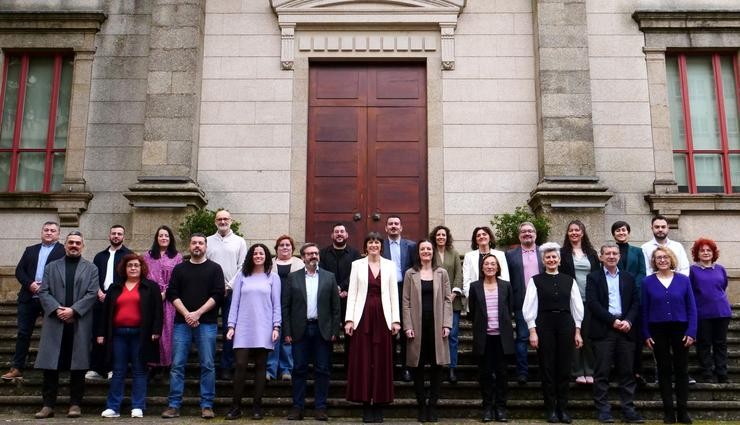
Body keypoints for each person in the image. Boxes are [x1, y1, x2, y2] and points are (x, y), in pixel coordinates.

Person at [34, 231, 99, 419]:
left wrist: (73, 311)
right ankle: (48, 405)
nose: (74, 245)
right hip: (55, 321)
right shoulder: (52, 267)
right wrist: (57, 310)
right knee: (50, 366)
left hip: (79, 322)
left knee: (78, 366)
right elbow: (43, 291)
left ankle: (75, 404)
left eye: (78, 243)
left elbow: (92, 293)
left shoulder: (91, 268)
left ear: (83, 246)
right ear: (65, 245)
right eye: (71, 242)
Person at [162, 233, 225, 420]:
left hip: (206, 323)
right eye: (194, 243)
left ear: (206, 246)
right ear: (189, 246)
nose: (197, 246)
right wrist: (187, 314)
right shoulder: (180, 269)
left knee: (207, 364)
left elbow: (218, 294)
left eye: (201, 243)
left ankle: (207, 405)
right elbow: (172, 292)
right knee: (177, 365)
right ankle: (174, 405)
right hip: (182, 323)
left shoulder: (215, 269)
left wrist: (197, 313)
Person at [523, 242, 584, 424]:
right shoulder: (535, 280)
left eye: (554, 257)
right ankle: (550, 409)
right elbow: (529, 307)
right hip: (544, 324)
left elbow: (576, 306)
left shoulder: (569, 280)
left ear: (559, 260)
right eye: (548, 257)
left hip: (566, 324)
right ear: (543, 260)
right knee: (548, 368)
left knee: (564, 368)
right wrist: (532, 331)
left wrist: (578, 331)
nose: (551, 260)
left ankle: (563, 409)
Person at [97, 254, 163, 418]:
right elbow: (105, 313)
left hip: (141, 335)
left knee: (140, 370)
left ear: (142, 268)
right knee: (118, 370)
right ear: (124, 269)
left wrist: (156, 331)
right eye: (130, 266)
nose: (133, 268)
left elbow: (157, 312)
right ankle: (113, 407)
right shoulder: (115, 287)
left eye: (136, 265)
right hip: (118, 334)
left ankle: (138, 406)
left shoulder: (151, 287)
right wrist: (101, 333)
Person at [345, 232, 401, 423]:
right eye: (370, 242)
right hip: (362, 317)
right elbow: (352, 293)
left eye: (377, 242)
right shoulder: (356, 265)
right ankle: (365, 405)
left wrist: (396, 320)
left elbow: (394, 294)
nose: (374, 245)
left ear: (381, 246)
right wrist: (349, 320)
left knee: (381, 360)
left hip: (383, 318)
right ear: (365, 246)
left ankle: (378, 404)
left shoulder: (390, 265)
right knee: (363, 359)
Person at [586, 244, 644, 424]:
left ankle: (629, 410)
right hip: (604, 330)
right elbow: (593, 303)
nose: (611, 256)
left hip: (626, 330)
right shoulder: (593, 277)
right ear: (601, 257)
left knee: (627, 372)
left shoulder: (628, 277)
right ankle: (603, 410)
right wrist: (612, 320)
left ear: (619, 256)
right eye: (607, 254)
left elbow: (636, 302)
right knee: (602, 372)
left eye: (614, 253)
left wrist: (629, 321)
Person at [283, 243, 341, 421]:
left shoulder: (329, 277)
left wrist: (334, 330)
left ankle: (320, 407)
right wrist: (287, 331)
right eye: (309, 254)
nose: (313, 256)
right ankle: (297, 407)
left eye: (316, 253)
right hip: (299, 329)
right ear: (302, 258)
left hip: (322, 329)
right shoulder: (293, 278)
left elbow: (335, 308)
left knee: (322, 369)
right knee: (299, 368)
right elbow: (286, 307)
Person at [2, 221, 65, 381]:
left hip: (50, 298)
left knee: (52, 333)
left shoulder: (63, 251)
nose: (49, 233)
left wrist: (45, 286)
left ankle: (52, 366)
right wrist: (30, 284)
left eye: (52, 230)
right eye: (46, 230)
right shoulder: (30, 250)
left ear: (58, 234)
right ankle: (17, 367)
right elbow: (19, 270)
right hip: (28, 297)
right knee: (23, 333)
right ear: (41, 232)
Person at [225, 243, 281, 420]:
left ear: (266, 256)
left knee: (260, 367)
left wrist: (276, 326)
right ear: (251, 256)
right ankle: (236, 407)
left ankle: (257, 407)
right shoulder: (242, 276)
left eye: (261, 253)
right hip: (243, 327)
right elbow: (235, 303)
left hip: (264, 327)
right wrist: (231, 326)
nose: (258, 256)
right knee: (240, 365)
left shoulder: (273, 278)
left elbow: (276, 304)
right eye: (255, 253)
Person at [642, 247, 697, 424]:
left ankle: (682, 411)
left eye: (665, 257)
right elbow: (644, 310)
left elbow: (692, 308)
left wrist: (691, 331)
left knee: (682, 370)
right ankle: (668, 412)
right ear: (654, 261)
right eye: (658, 258)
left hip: (680, 329)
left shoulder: (683, 280)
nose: (662, 260)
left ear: (671, 259)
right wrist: (646, 333)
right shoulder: (647, 282)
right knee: (664, 370)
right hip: (657, 329)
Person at [402, 240, 452, 423]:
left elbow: (448, 300)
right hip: (417, 326)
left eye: (429, 249)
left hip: (437, 325)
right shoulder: (410, 273)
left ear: (433, 252)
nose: (426, 251)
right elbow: (405, 302)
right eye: (422, 249)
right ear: (418, 252)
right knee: (418, 366)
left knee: (437, 366)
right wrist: (407, 326)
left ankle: (433, 406)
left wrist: (447, 324)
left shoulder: (442, 273)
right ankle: (421, 406)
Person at [468, 254, 514, 423]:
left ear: (497, 267)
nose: (489, 267)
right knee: (485, 374)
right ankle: (487, 408)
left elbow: (509, 311)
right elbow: (472, 312)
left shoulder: (506, 286)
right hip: (484, 338)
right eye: (486, 264)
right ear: (482, 267)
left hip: (502, 339)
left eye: (493, 264)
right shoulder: (474, 287)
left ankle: (501, 408)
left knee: (502, 374)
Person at [206, 209, 247, 381]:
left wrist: (228, 286)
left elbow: (243, 266)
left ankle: (226, 366)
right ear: (215, 222)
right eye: (219, 219)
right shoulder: (207, 241)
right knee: (208, 329)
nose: (222, 222)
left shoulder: (239, 241)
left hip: (232, 292)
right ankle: (208, 363)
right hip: (209, 292)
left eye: (225, 219)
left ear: (231, 220)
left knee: (230, 330)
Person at [89, 225, 132, 381]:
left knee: (115, 336)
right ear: (109, 235)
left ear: (123, 237)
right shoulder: (99, 256)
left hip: (119, 301)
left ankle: (113, 368)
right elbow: (93, 277)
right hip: (99, 300)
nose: (116, 236)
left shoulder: (129, 256)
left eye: (119, 234)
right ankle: (96, 368)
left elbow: (130, 279)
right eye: (113, 233)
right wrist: (99, 292)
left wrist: (115, 296)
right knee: (97, 334)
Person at [559, 219, 599, 385]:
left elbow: (597, 276)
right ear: (567, 234)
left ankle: (589, 370)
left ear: (582, 233)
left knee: (588, 336)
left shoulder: (591, 253)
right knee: (573, 336)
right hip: (571, 300)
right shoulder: (562, 254)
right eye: (571, 230)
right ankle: (576, 371)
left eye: (577, 230)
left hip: (589, 300)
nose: (574, 233)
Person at [504, 221, 544, 385]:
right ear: (519, 235)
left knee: (544, 338)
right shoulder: (510, 255)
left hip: (543, 302)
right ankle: (522, 372)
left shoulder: (544, 252)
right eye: (524, 232)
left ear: (535, 234)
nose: (527, 233)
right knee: (522, 338)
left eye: (530, 231)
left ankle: (544, 371)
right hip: (521, 301)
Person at [319, 223, 362, 369]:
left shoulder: (355, 254)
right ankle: (327, 363)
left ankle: (349, 364)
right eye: (336, 231)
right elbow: (322, 272)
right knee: (328, 332)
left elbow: (355, 274)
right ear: (332, 235)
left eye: (342, 231)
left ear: (347, 235)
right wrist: (334, 288)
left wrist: (343, 288)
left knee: (350, 332)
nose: (339, 234)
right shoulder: (323, 253)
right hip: (328, 299)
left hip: (348, 298)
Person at [142, 225, 182, 380]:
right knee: (153, 330)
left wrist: (165, 293)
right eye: (161, 236)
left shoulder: (177, 257)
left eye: (166, 235)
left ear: (170, 238)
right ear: (156, 238)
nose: (163, 238)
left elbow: (178, 278)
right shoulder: (148, 256)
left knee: (167, 331)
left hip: (170, 299)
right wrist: (155, 294)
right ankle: (153, 364)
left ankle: (166, 364)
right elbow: (144, 276)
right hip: (152, 298)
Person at [611, 220, 648, 387]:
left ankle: (637, 372)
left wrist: (632, 286)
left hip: (634, 298)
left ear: (628, 232)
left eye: (623, 230)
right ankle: (621, 372)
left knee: (636, 338)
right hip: (616, 300)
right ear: (614, 234)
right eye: (617, 231)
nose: (621, 233)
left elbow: (642, 272)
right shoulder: (611, 252)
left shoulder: (638, 251)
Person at [689, 238, 731, 383]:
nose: (706, 253)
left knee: (720, 344)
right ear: (697, 253)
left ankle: (722, 374)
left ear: (713, 253)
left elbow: (723, 286)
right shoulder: (692, 271)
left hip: (722, 312)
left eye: (709, 250)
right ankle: (707, 373)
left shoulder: (720, 269)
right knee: (704, 344)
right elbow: (691, 291)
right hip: (702, 314)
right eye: (702, 250)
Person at [381, 215, 416, 382]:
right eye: (390, 224)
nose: (393, 226)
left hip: (404, 290)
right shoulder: (380, 246)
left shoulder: (411, 246)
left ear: (401, 227)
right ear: (386, 228)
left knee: (404, 331)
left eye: (396, 224)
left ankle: (405, 368)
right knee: (387, 331)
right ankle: (389, 368)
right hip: (385, 291)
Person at [429, 225, 463, 384]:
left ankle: (452, 368)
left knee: (453, 336)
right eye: (438, 235)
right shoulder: (430, 252)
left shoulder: (454, 253)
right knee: (436, 336)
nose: (441, 237)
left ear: (447, 237)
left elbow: (458, 274)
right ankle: (439, 367)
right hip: (434, 300)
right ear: (434, 237)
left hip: (452, 301)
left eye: (443, 235)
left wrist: (454, 293)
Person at [267, 235, 303, 382]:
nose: (285, 247)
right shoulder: (269, 264)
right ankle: (270, 369)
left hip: (292, 306)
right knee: (272, 338)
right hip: (272, 305)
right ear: (276, 249)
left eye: (288, 245)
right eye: (281, 245)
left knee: (287, 338)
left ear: (292, 248)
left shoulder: (300, 263)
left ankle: (286, 369)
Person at [463, 226, 510, 308]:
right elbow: (466, 280)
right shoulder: (469, 256)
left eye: (484, 234)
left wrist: (501, 297)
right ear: (476, 240)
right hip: (476, 300)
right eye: (478, 235)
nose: (481, 236)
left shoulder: (500, 255)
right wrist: (471, 296)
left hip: (497, 299)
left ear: (490, 237)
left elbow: (505, 277)